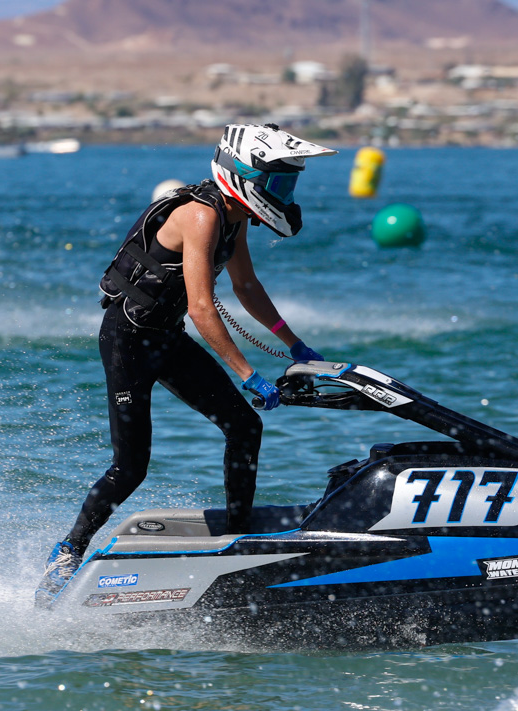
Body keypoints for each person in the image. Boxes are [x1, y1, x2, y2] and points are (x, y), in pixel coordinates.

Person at [35, 124, 337, 606]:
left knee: (244, 427)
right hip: (127, 341)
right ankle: (69, 550)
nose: (284, 194)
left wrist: (296, 346)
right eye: (278, 183)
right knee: (130, 466)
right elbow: (201, 308)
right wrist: (247, 374)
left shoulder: (234, 217)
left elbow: (246, 288)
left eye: (287, 185)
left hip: (166, 339)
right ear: (244, 172)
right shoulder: (201, 215)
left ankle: (237, 540)